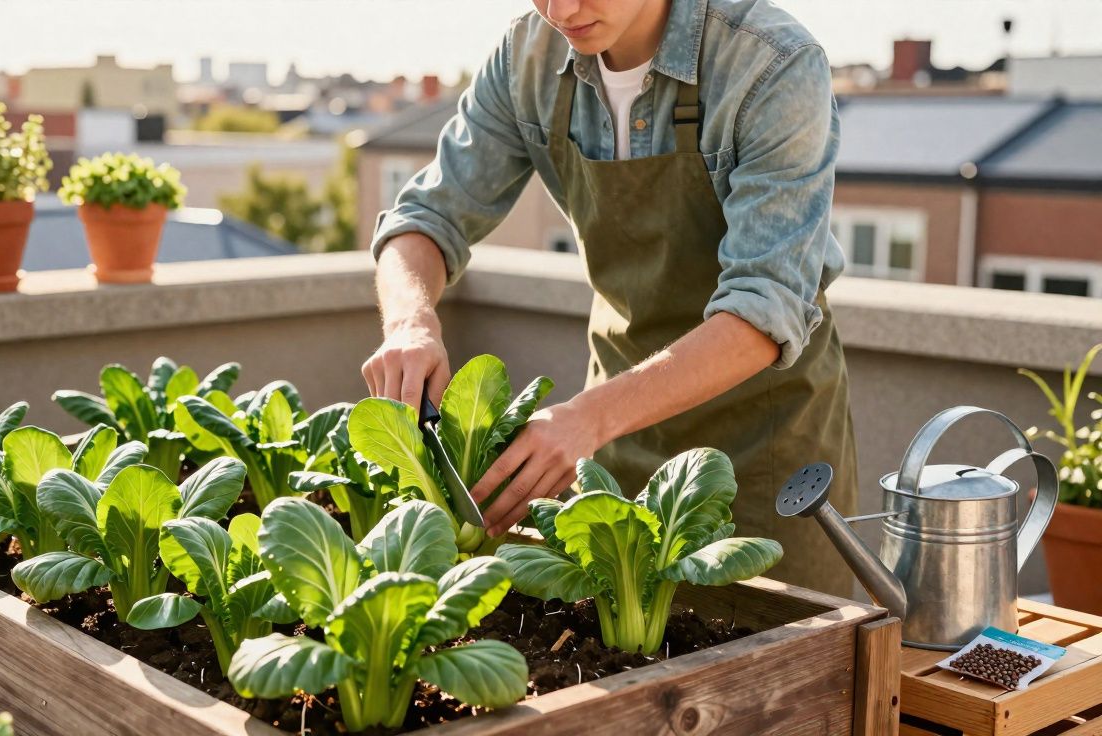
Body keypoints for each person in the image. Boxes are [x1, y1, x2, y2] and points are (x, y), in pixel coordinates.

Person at [361, 0, 858, 595]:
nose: (561, 10)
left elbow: (764, 309)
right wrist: (410, 322)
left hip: (767, 459)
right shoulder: (526, 57)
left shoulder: (772, 64)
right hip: (610, 450)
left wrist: (587, 419)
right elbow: (425, 216)